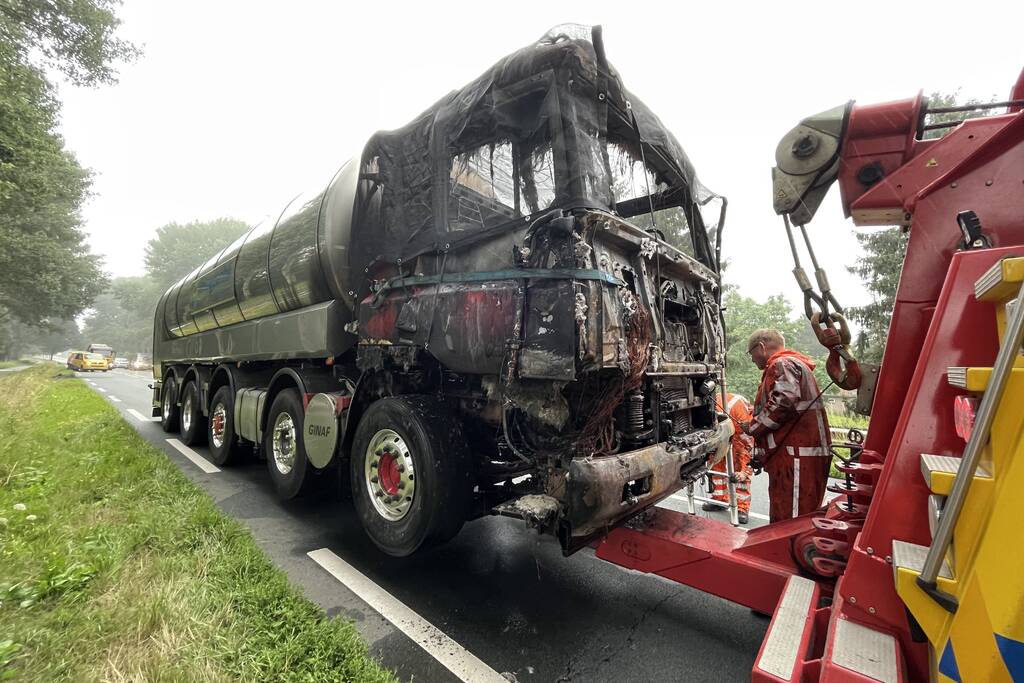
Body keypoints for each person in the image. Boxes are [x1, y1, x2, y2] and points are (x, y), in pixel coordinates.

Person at [742, 329, 831, 522]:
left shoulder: (781, 364)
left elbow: (783, 402)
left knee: (790, 520)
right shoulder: (794, 364)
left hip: (796, 457)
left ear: (761, 347)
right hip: (797, 455)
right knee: (797, 514)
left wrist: (753, 427)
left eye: (751, 353)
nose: (751, 360)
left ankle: (786, 552)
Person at [703, 392, 753, 523]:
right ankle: (719, 499)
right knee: (715, 462)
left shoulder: (739, 414)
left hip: (739, 432)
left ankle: (742, 508)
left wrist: (744, 472)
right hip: (719, 433)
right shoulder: (705, 410)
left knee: (739, 467)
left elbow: (748, 448)